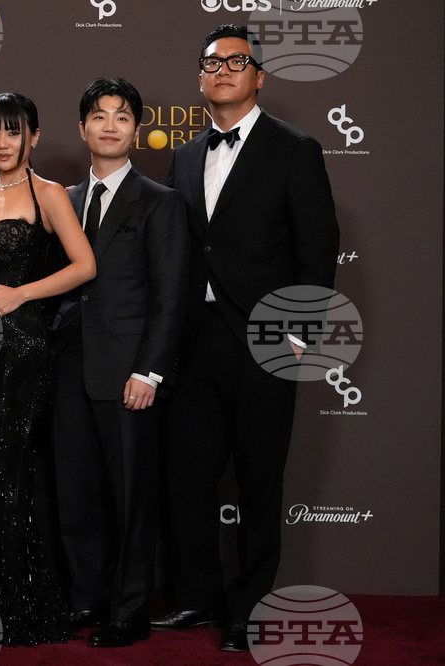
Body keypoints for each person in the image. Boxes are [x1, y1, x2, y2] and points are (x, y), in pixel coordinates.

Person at [152, 24, 339, 652]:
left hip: (265, 340)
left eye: (237, 61)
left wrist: (302, 337)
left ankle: (249, 609)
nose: (223, 69)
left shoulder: (295, 149)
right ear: (200, 78)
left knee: (260, 480)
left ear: (259, 76)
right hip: (193, 338)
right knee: (188, 478)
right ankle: (199, 598)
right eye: (212, 62)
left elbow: (318, 249)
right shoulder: (182, 156)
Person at [0, 92, 95, 646]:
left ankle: (16, 598)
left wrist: (20, 294)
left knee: (7, 473)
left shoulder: (49, 194)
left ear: (32, 136)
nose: (3, 143)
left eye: (14, 132)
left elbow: (85, 265)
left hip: (23, 350)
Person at [49, 78, 189, 648]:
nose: (110, 125)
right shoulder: (63, 200)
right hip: (66, 368)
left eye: (122, 116)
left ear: (136, 129)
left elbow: (171, 295)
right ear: (81, 128)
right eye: (99, 116)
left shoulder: (161, 202)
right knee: (76, 493)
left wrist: (149, 370)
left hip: (128, 371)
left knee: (131, 496)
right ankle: (88, 598)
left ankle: (129, 611)